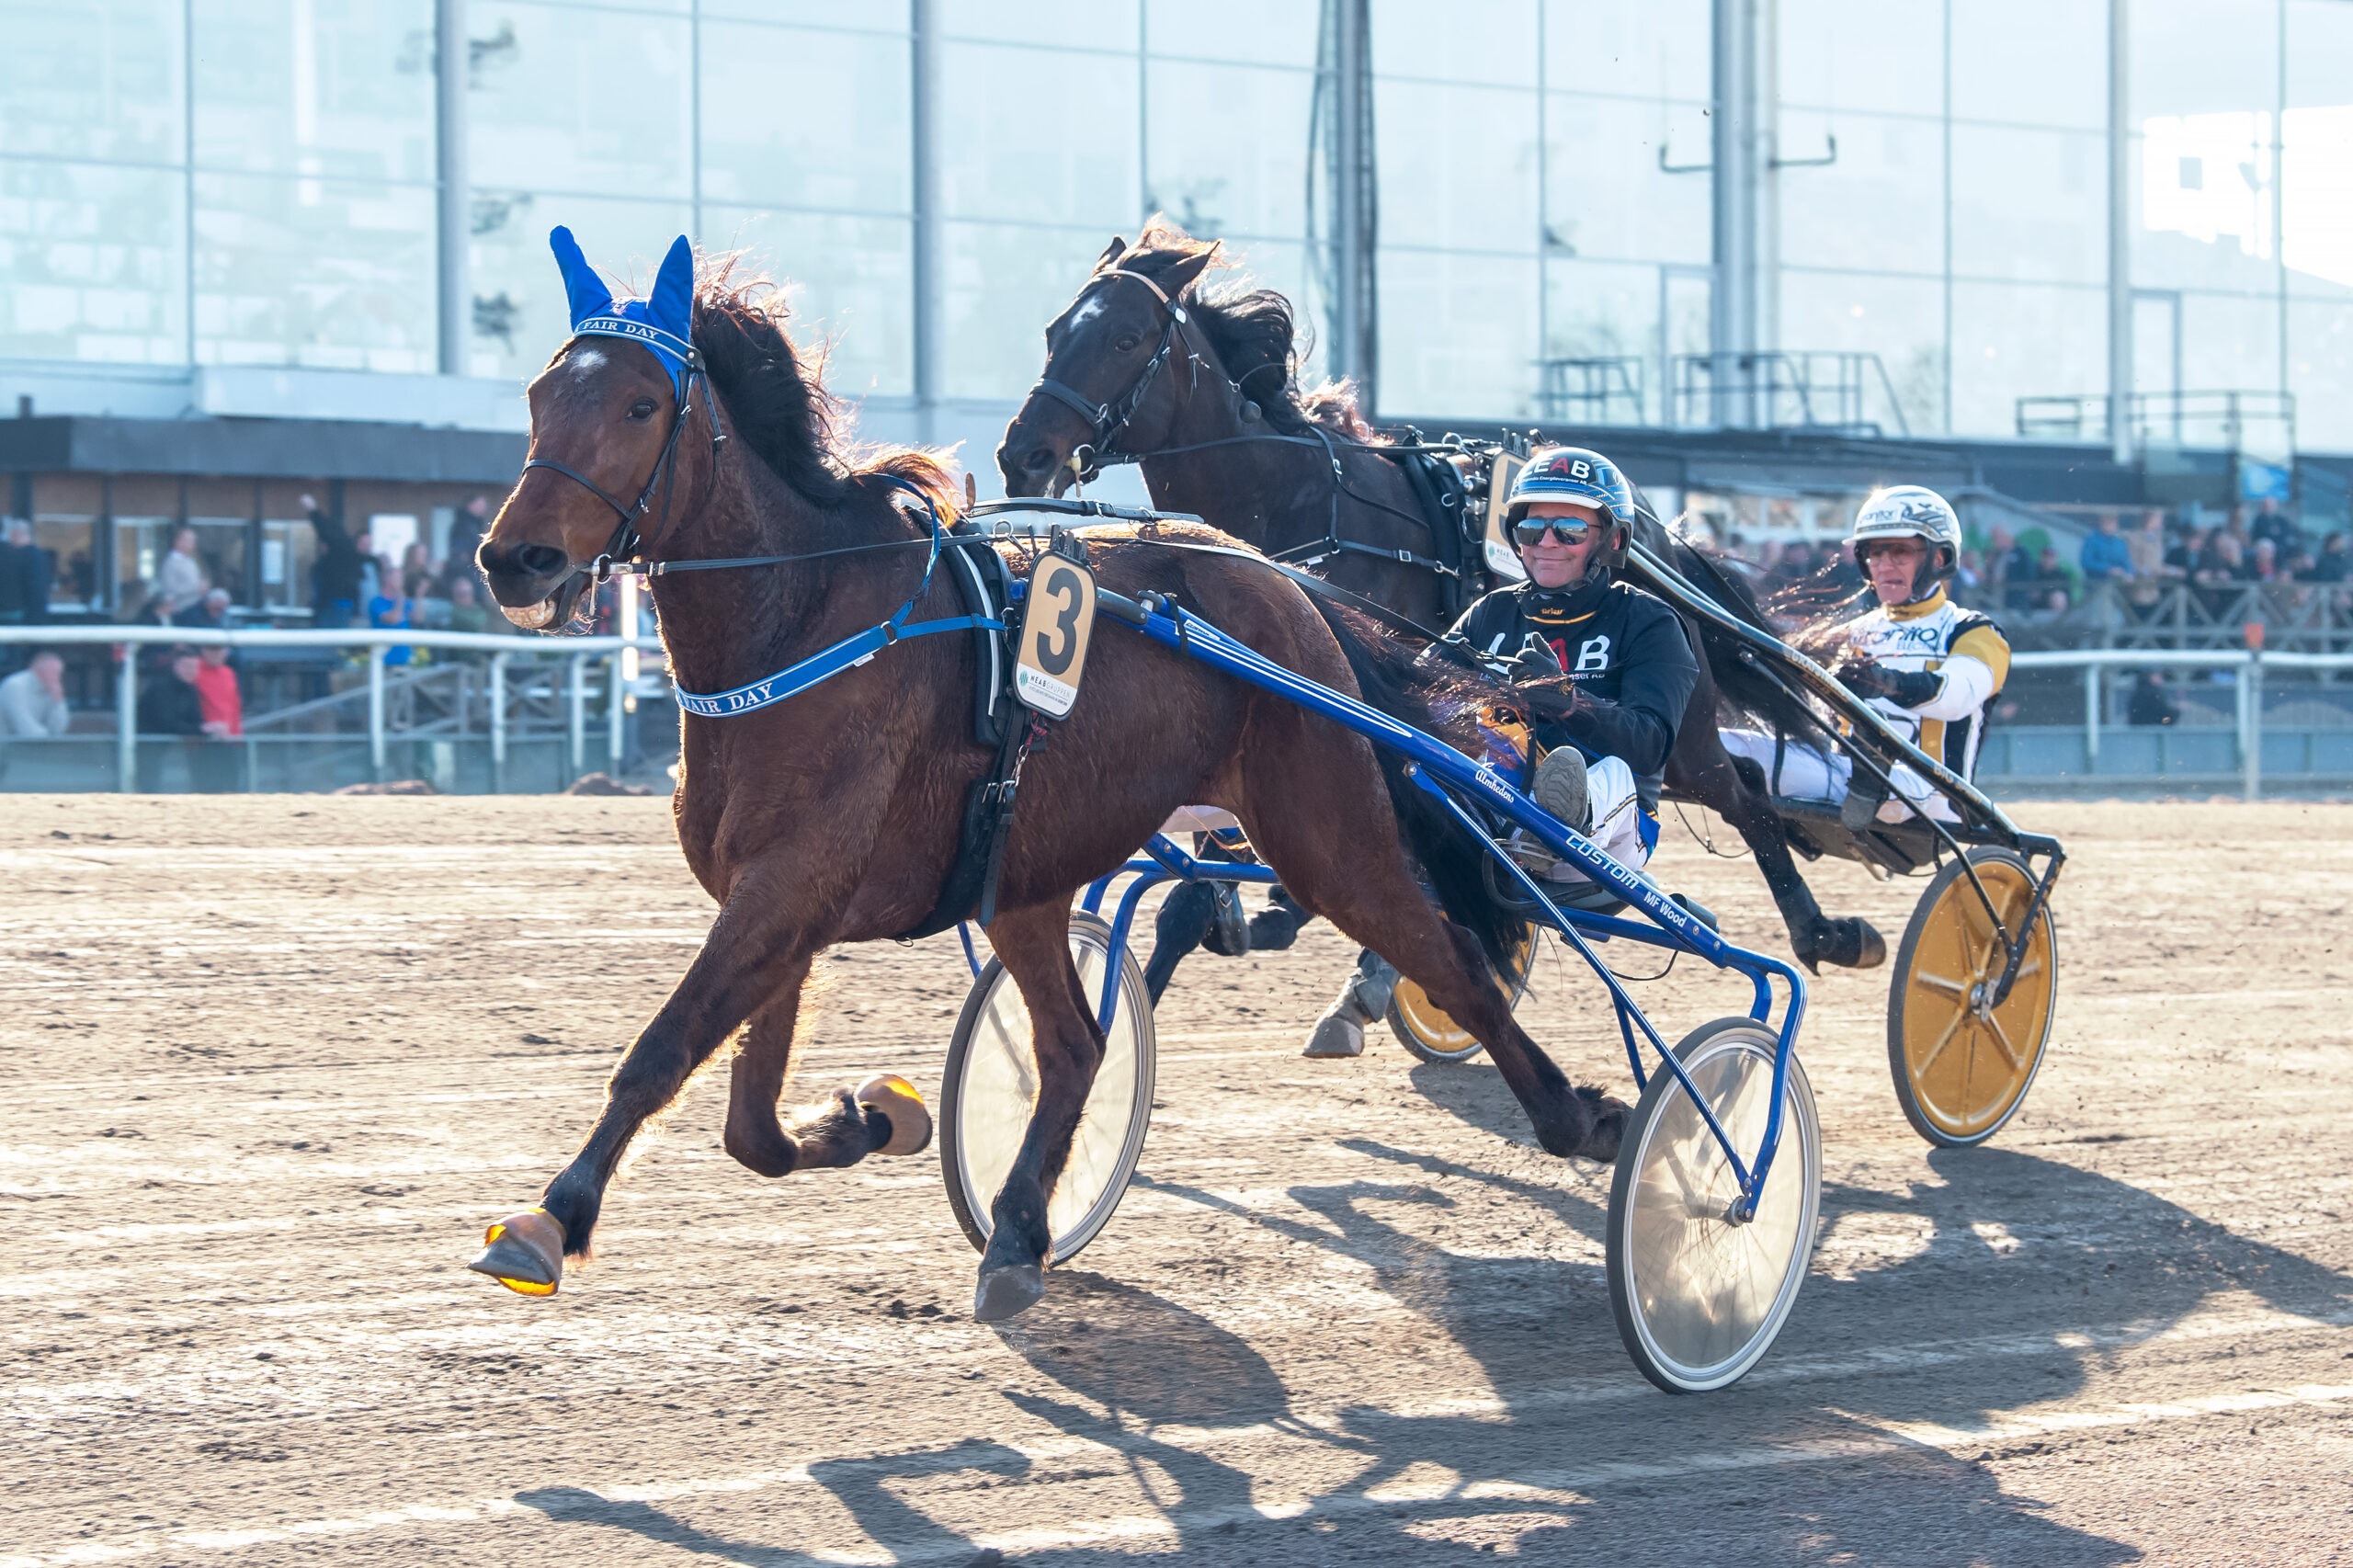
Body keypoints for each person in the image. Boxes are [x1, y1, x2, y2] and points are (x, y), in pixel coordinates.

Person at [1302, 445, 1699, 1060]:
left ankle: (1550, 821)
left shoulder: (1648, 623)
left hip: (1607, 840)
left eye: (1568, 528)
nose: (1545, 541)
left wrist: (1565, 703)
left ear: (1610, 541)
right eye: (1530, 526)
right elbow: (1417, 693)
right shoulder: (1494, 613)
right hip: (1496, 808)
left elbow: (1651, 745)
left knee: (1602, 771)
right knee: (1434, 739)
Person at [1721, 485, 2010, 829]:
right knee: (1722, 744)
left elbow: (1956, 697)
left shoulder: (1974, 630)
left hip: (1931, 795)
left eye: (1899, 552)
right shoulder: (1855, 632)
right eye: (1874, 554)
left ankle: (1874, 766)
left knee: (1869, 766)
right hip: (1848, 777)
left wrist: (1887, 682)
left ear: (1939, 558)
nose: (1884, 566)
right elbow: (1818, 720)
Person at [135, 647, 209, 790]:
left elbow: (195, 719)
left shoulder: (191, 689)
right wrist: (199, 729)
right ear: (175, 666)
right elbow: (166, 723)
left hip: (172, 746)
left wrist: (204, 729)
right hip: (148, 746)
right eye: (186, 666)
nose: (191, 671)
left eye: (194, 667)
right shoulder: (160, 687)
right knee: (150, 785)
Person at [303, 494, 369, 630]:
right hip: (331, 604)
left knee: (332, 642)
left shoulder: (342, 549)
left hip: (337, 604)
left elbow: (327, 532)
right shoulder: (328, 562)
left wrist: (313, 511)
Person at [0, 648, 69, 737]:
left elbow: (58, 730)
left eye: (58, 673)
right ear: (37, 671)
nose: (56, 677)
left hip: (32, 745)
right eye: (52, 672)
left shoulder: (51, 688)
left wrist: (58, 700)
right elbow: (26, 728)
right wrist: (50, 741)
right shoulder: (14, 686)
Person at [156, 527, 210, 617]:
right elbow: (170, 590)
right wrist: (196, 587)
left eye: (193, 541)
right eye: (189, 541)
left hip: (197, 607)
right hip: (182, 611)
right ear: (178, 542)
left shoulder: (191, 561)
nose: (193, 544)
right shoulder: (171, 563)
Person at [2079, 511, 2131, 583]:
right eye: (2108, 522)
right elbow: (2086, 561)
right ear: (2102, 523)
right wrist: (2108, 570)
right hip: (2097, 583)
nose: (2111, 525)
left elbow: (2127, 562)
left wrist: (2129, 573)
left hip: (2119, 583)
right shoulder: (2091, 540)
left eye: (2113, 522)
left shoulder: (2120, 542)